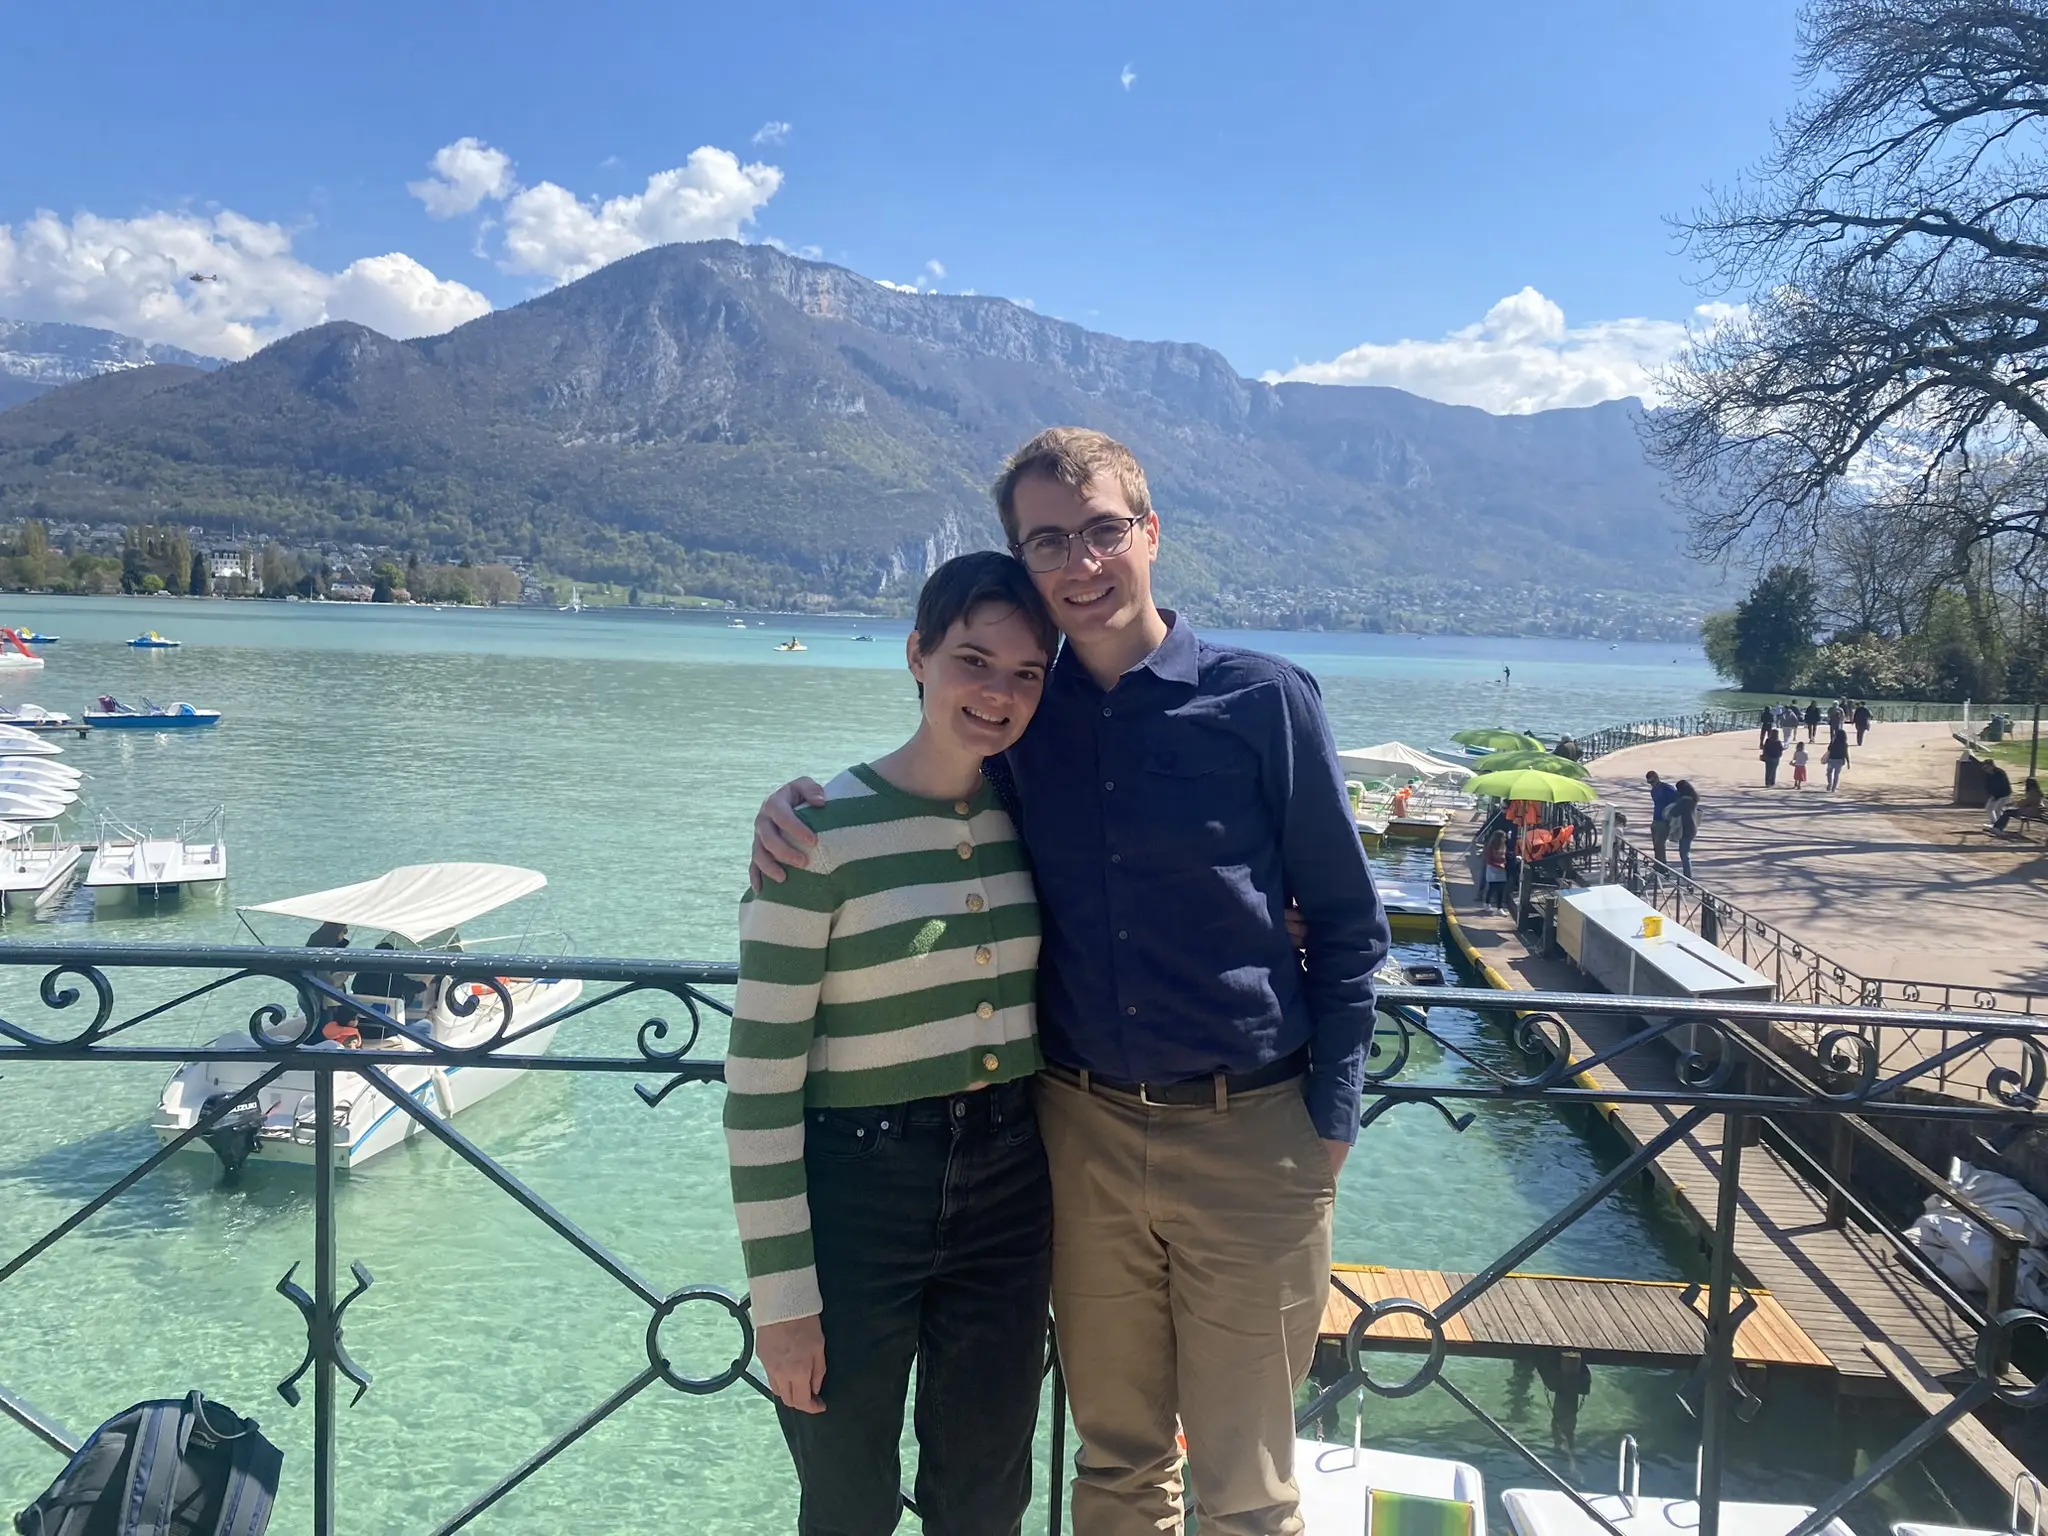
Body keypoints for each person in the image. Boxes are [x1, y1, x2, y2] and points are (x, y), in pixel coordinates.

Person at [752, 427, 1389, 1536]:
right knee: (1118, 1463)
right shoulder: (1023, 727)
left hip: (1252, 1133)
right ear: (1022, 560)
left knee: (1244, 1486)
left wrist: (1327, 1122)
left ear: (1149, 533)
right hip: (1074, 1138)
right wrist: (790, 808)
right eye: (1049, 540)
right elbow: (927, 782)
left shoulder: (1262, 703)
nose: (1080, 562)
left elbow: (1345, 922)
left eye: (1101, 530)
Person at [726, 552, 1060, 1535]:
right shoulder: (817, 835)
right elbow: (756, 1088)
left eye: (1026, 673)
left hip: (1010, 1186)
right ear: (916, 656)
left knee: (987, 1492)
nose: (996, 694)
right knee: (846, 1497)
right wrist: (781, 1304)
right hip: (856, 1196)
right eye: (972, 659)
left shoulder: (1033, 821)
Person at [1645, 771, 1676, 865]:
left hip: (1664, 821)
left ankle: (1662, 866)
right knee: (1656, 845)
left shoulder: (1667, 789)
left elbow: (1676, 802)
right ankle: (1657, 864)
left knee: (1660, 845)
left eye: (1653, 781)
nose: (1652, 784)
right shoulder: (1653, 791)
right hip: (1656, 819)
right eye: (1649, 783)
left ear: (1657, 778)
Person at [1672, 780, 1701, 879]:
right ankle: (1687, 874)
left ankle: (1688, 876)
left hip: (1685, 828)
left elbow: (1673, 812)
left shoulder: (1684, 801)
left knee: (1684, 854)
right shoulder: (1693, 799)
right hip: (1692, 828)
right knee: (1685, 852)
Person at [1984, 758, 2015, 832]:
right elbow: (1987, 785)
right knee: (1989, 808)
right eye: (1985, 768)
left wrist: (1996, 796)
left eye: (1987, 767)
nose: (1986, 769)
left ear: (1992, 766)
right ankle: (1994, 823)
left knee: (1998, 809)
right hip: (1995, 795)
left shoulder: (2000, 773)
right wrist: (1992, 795)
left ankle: (1999, 827)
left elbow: (2002, 786)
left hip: (2005, 794)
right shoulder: (1988, 775)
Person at [1483, 829, 1509, 908]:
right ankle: (1487, 903)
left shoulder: (1504, 846)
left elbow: (1504, 856)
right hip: (1492, 869)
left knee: (1501, 888)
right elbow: (1489, 860)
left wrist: (1504, 862)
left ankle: (1499, 907)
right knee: (1492, 887)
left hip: (1501, 869)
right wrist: (1498, 864)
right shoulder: (1491, 847)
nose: (1505, 839)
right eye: (1503, 838)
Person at [1825, 726, 1849, 792]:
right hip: (1840, 760)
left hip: (1831, 759)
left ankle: (1830, 783)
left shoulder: (1833, 742)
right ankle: (1833, 788)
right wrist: (1848, 762)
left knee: (1829, 773)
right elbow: (1846, 753)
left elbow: (1829, 749)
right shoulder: (1844, 744)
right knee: (1836, 774)